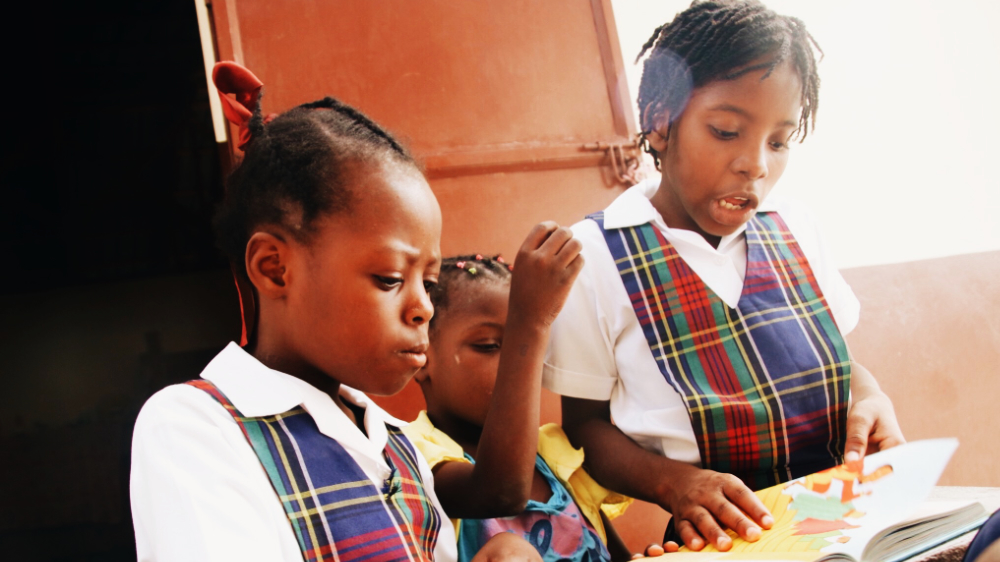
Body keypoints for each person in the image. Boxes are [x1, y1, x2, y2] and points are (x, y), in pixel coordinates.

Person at [130, 62, 540, 562]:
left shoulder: (398, 446)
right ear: (275, 268)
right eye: (391, 279)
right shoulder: (198, 428)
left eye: (428, 284)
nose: (422, 309)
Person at [542, 0, 905, 554]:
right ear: (660, 123)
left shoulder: (796, 228)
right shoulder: (594, 255)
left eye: (779, 141)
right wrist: (675, 483)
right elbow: (587, 430)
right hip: (723, 539)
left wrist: (871, 396)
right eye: (727, 130)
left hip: (844, 519)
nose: (756, 164)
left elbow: (838, 362)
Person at [403, 249, 636, 562]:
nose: (519, 364)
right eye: (490, 346)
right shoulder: (414, 456)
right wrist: (532, 323)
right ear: (422, 357)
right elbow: (498, 493)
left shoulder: (554, 456)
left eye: (525, 348)